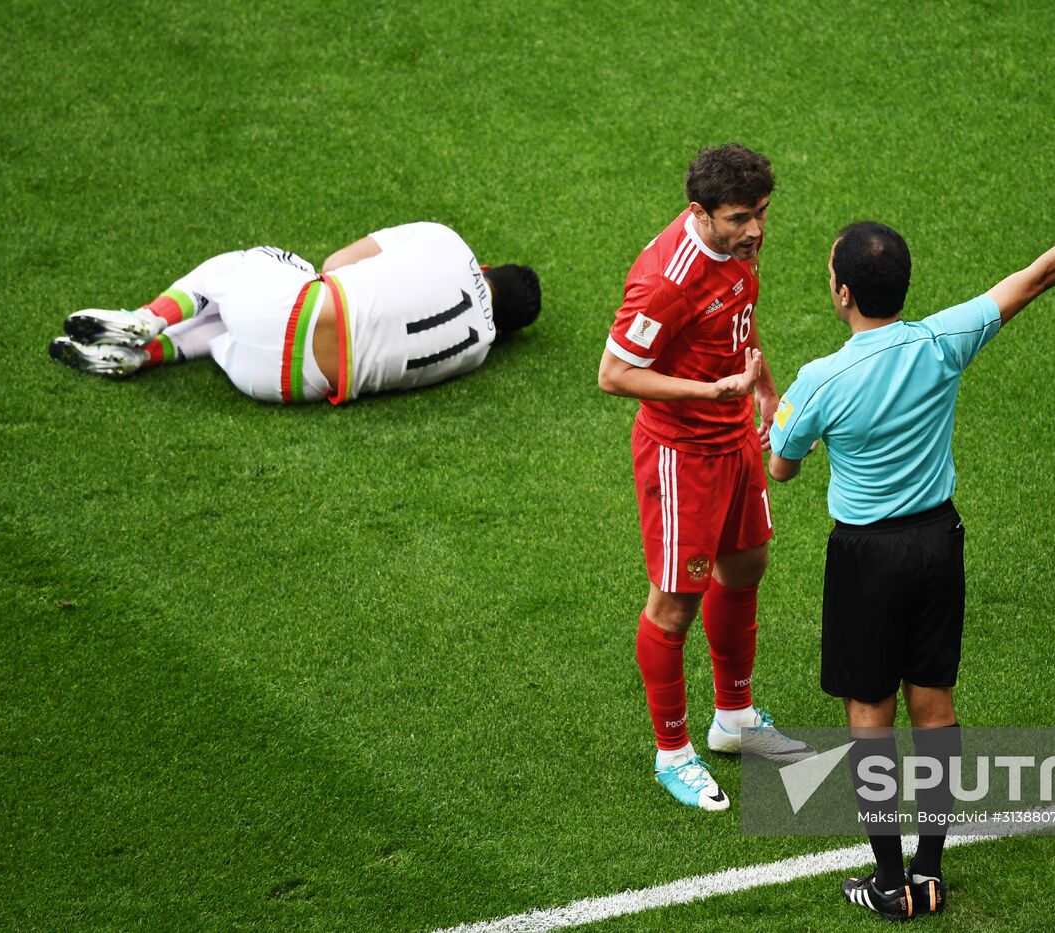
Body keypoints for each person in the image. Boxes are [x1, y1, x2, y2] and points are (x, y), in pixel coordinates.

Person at [768, 169, 1055, 918]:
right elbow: (1041, 272)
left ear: (842, 294)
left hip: (866, 557)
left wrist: (776, 408)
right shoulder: (944, 339)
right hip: (937, 544)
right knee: (934, 707)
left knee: (870, 714)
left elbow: (782, 467)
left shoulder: (819, 379)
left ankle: (889, 884)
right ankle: (929, 872)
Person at [598, 143, 812, 813]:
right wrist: (710, 392)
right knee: (675, 602)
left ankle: (735, 718)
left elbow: (740, 326)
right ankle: (672, 751)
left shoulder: (739, 250)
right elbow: (614, 373)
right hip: (681, 454)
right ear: (701, 213)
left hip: (734, 436)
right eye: (742, 218)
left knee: (746, 564)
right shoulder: (668, 278)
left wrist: (766, 393)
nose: (756, 230)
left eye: (763, 213)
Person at [49, 222, 540, 403]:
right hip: (280, 384)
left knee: (240, 268)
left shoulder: (447, 241)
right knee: (226, 329)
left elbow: (336, 264)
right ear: (506, 330)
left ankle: (147, 318)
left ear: (486, 265)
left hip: (285, 309)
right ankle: (148, 356)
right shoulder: (477, 353)